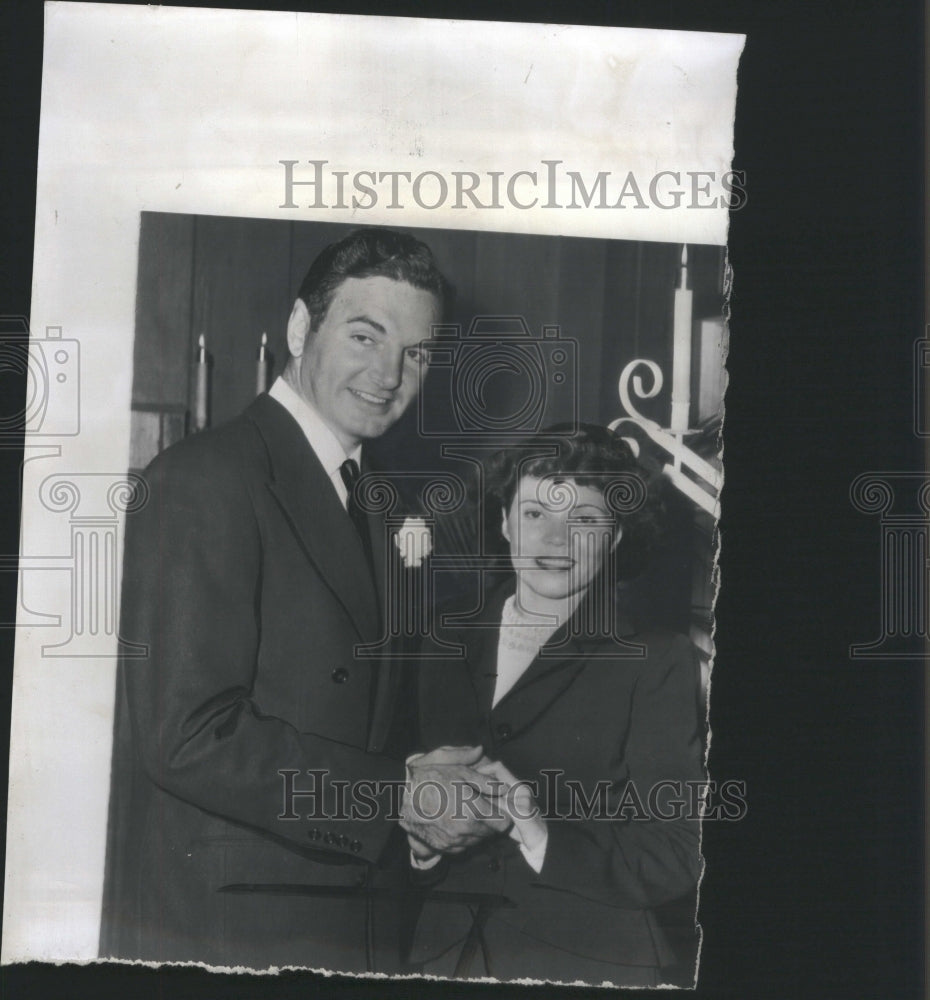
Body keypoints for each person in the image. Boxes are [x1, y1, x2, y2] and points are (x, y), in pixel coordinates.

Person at [100, 227, 505, 972]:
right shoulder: (205, 478)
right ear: (299, 328)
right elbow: (187, 737)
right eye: (365, 335)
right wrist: (396, 798)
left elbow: (374, 715)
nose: (389, 373)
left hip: (349, 915)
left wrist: (430, 797)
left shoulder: (378, 496)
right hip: (232, 928)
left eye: (417, 353)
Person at [402, 424, 705, 986]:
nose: (556, 540)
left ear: (615, 538)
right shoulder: (443, 636)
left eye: (585, 521)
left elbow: (680, 848)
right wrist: (422, 840)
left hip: (586, 963)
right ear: (504, 522)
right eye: (536, 513)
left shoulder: (658, 660)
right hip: (442, 958)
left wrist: (536, 831)